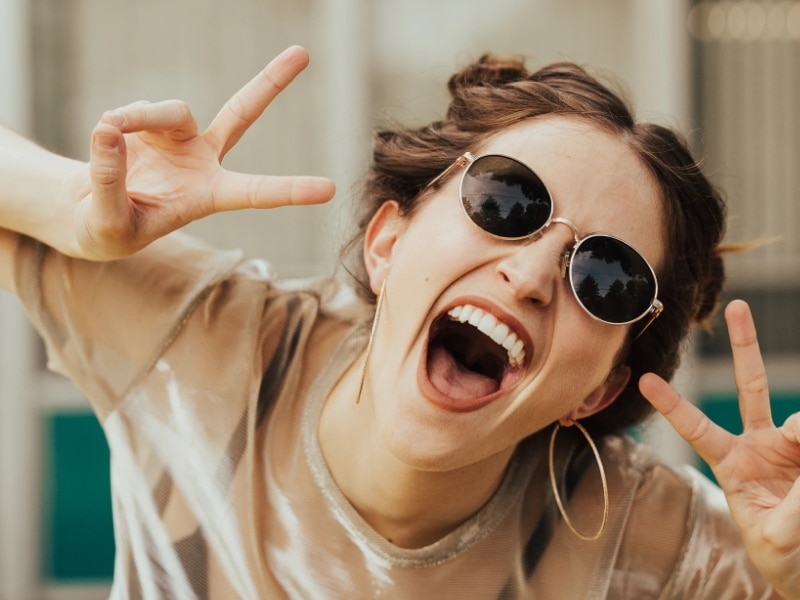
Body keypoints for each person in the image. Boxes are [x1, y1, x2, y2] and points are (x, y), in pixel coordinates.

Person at [0, 45, 798, 599]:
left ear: (595, 392)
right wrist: (71, 209)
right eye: (506, 201)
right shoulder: (205, 338)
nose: (528, 276)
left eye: (606, 278)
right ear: (387, 241)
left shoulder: (646, 537)